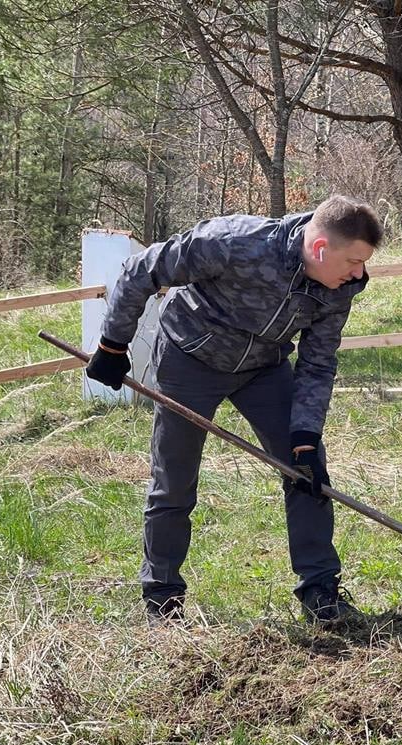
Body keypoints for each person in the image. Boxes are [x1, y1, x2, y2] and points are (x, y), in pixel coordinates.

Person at [85, 195, 384, 624]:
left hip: (264, 368)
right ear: (321, 249)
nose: (359, 272)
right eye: (353, 261)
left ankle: (319, 590)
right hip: (190, 359)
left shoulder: (341, 287)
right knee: (174, 481)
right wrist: (113, 344)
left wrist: (304, 434)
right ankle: (163, 598)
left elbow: (318, 362)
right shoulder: (234, 242)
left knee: (307, 472)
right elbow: (141, 270)